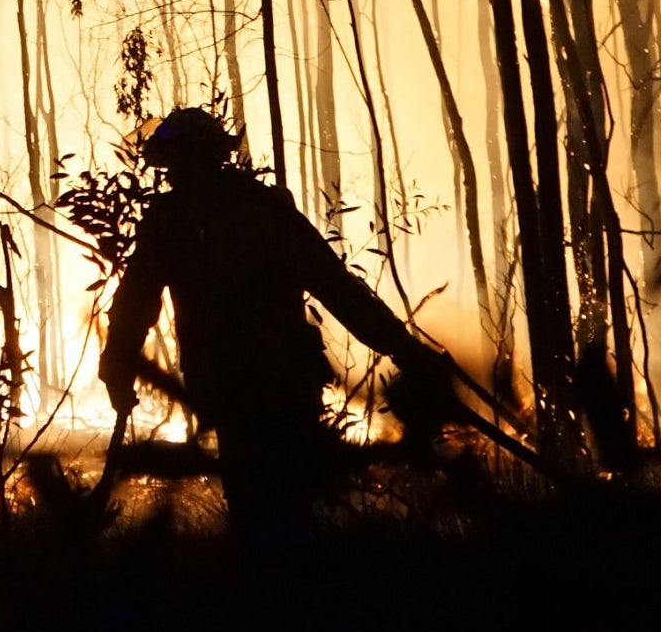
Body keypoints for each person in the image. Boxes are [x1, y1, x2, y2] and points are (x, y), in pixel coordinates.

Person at [100, 107, 452, 524]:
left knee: (264, 505)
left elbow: (333, 286)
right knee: (279, 503)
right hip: (271, 382)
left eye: (178, 161)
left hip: (248, 383)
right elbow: (336, 286)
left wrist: (118, 364)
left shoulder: (186, 220)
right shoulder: (243, 211)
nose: (175, 174)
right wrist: (404, 348)